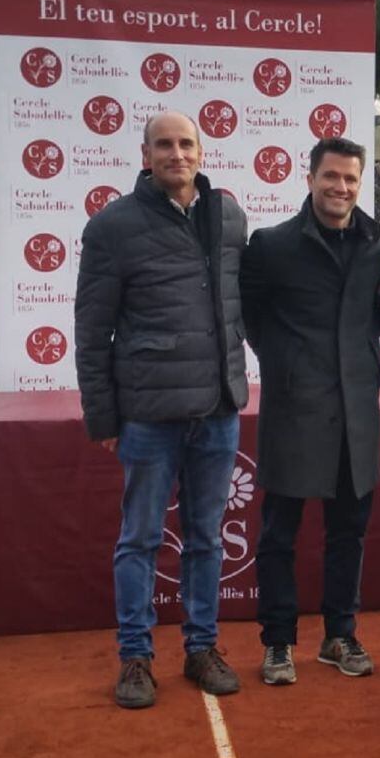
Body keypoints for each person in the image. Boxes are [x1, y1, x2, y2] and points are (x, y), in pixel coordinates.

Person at [75, 111, 248, 708]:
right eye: (164, 145)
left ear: (201, 152)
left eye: (186, 143)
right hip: (147, 413)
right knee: (139, 538)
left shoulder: (228, 215)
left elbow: (236, 306)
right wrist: (102, 415)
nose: (177, 154)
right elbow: (92, 329)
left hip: (218, 408)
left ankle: (201, 647)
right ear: (145, 154)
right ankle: (135, 658)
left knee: (205, 538)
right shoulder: (112, 227)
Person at [240, 137, 380, 685]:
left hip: (357, 416)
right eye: (331, 177)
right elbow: (250, 316)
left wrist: (357, 357)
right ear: (309, 179)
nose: (341, 188)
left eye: (351, 179)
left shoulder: (378, 243)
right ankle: (277, 642)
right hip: (293, 410)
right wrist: (286, 362)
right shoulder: (272, 245)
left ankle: (339, 634)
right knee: (279, 534)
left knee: (347, 535)